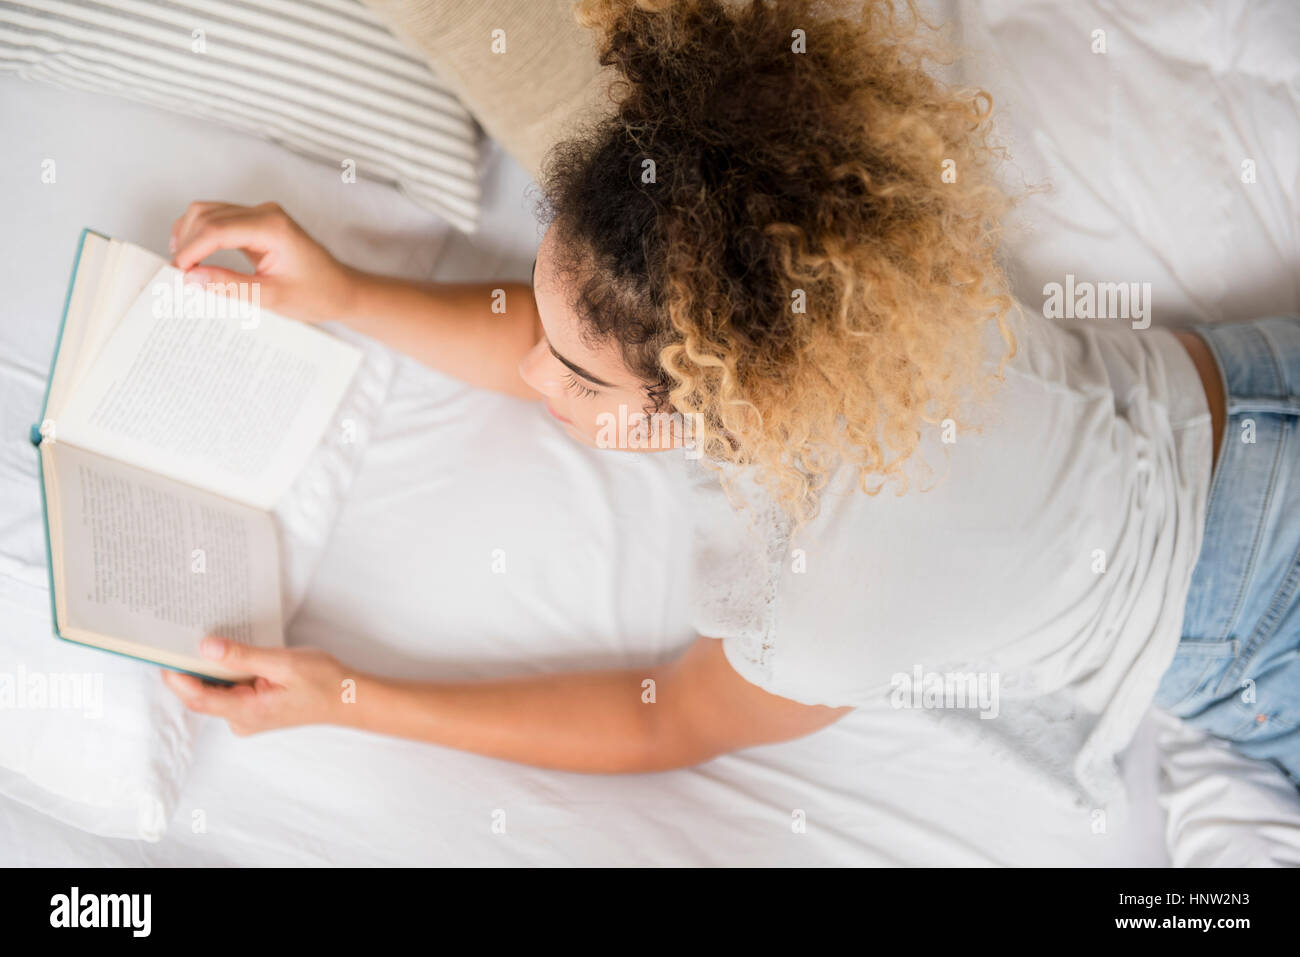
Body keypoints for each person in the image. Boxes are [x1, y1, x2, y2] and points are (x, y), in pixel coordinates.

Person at [162, 0, 1298, 800]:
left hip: (1254, 622)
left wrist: (345, 696)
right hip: (1252, 382)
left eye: (576, 378)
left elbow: (669, 717)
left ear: (703, 397)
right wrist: (346, 290)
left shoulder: (824, 589)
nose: (528, 372)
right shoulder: (852, 255)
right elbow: (598, 323)